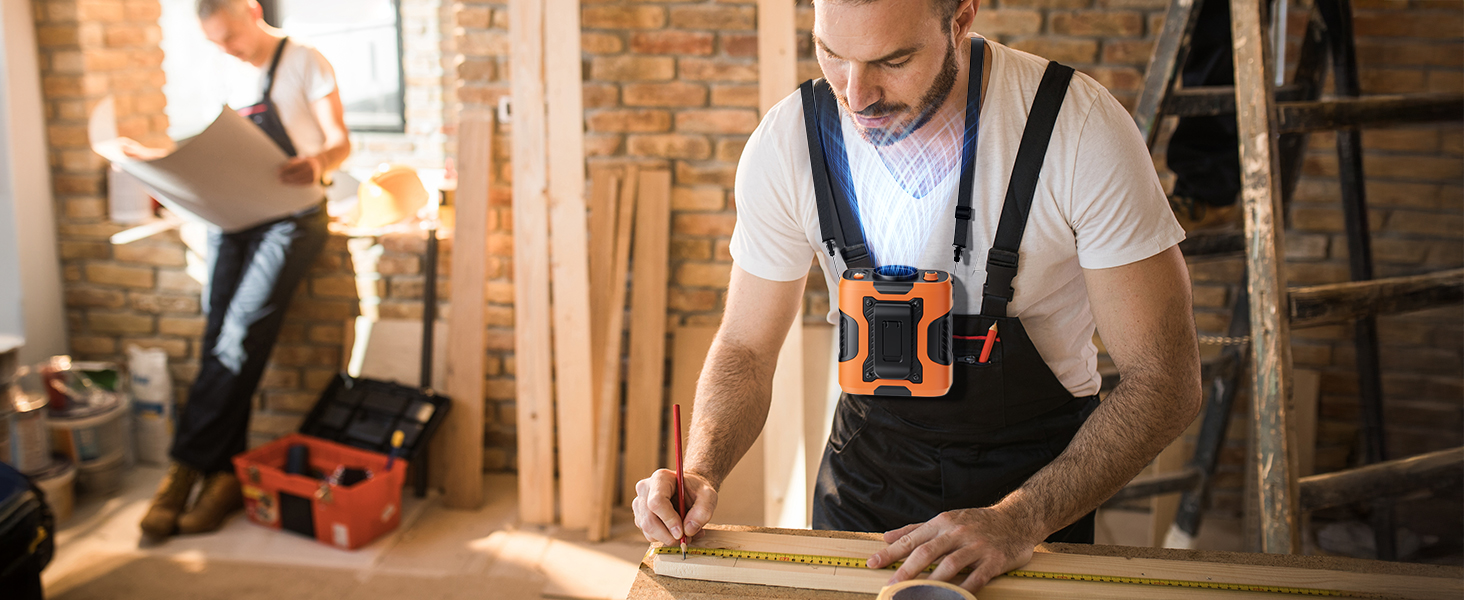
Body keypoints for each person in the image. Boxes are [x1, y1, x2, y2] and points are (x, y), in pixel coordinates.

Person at [631, 0, 1202, 592]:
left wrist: (1019, 520)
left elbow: (1165, 380)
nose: (856, 96)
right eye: (831, 54)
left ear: (961, 19)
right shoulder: (789, 143)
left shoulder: (1075, 128)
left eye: (892, 61)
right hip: (863, 487)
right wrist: (701, 471)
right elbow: (746, 347)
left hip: (1036, 498)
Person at [133, 0, 350, 540]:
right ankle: (224, 475)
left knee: (241, 337)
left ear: (252, 11)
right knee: (217, 341)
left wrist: (320, 162)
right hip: (233, 218)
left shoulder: (305, 60)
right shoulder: (226, 68)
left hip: (290, 220)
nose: (227, 48)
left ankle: (186, 468)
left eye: (231, 35)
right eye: (216, 42)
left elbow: (340, 139)